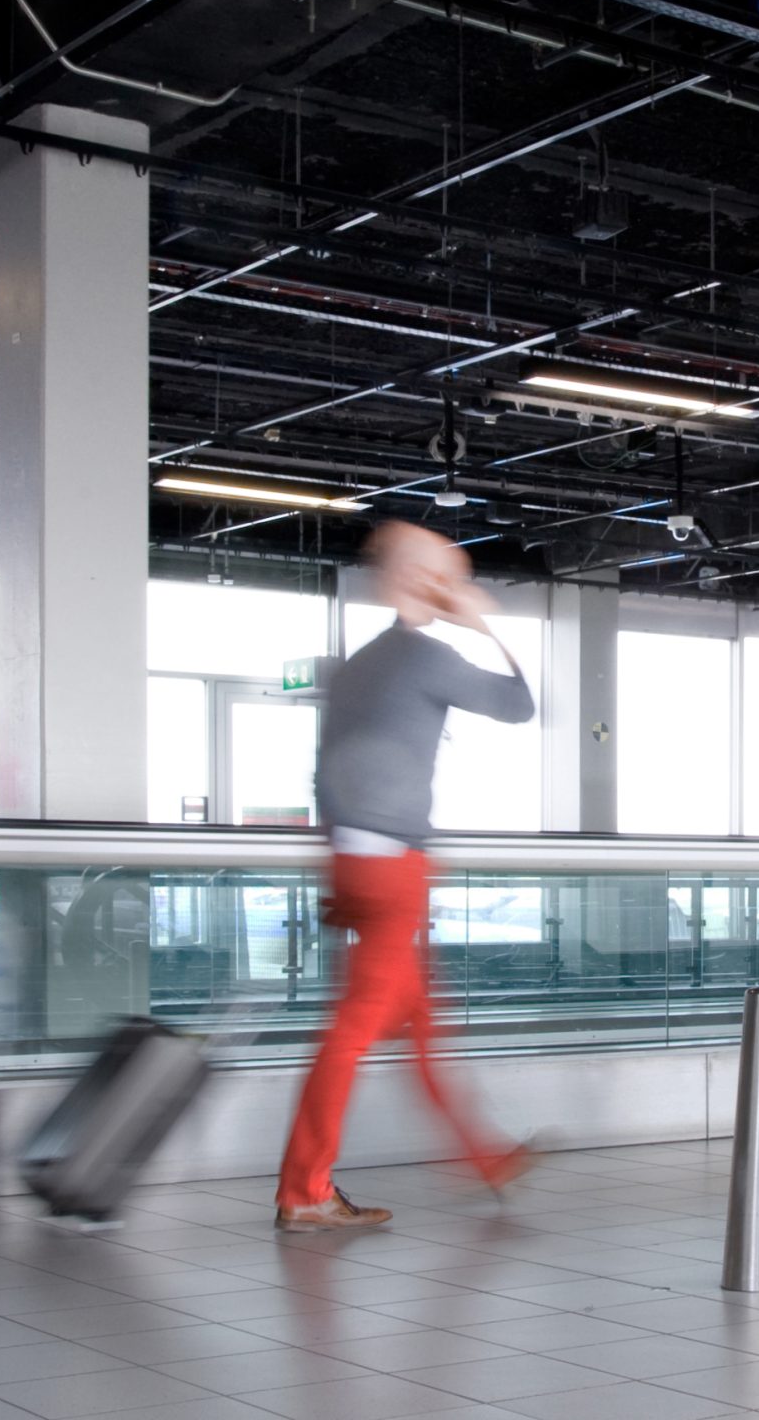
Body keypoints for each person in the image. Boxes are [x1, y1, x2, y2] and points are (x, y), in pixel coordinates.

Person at [275, 521, 539, 1232]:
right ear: (422, 581)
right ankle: (304, 1188)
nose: (458, 590)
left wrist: (344, 867)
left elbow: (327, 772)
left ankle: (487, 1159)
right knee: (354, 1029)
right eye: (449, 577)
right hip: (392, 867)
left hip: (356, 859)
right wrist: (485, 626)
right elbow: (520, 705)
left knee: (421, 1022)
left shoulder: (359, 663)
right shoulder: (425, 657)